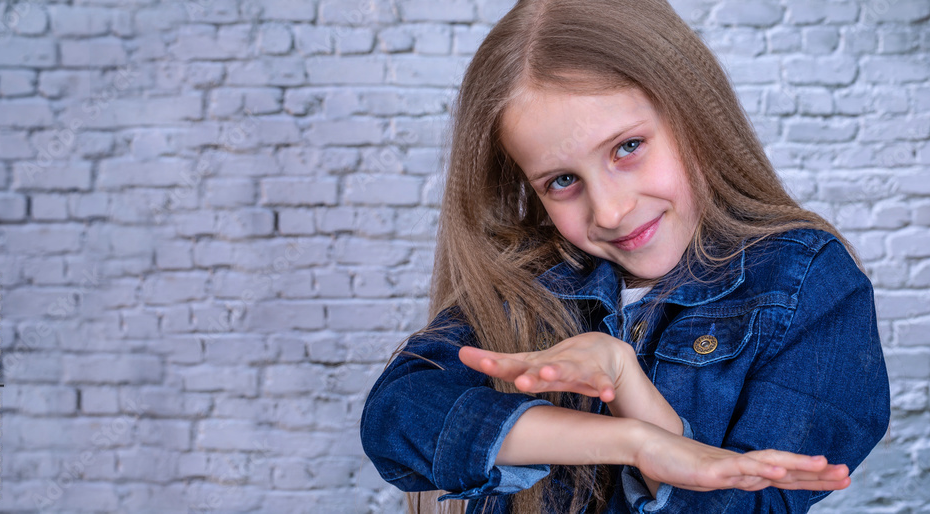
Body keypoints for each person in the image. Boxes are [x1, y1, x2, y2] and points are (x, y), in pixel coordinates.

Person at [360, 0, 891, 512]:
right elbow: (397, 414)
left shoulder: (805, 283)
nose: (610, 212)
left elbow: (742, 506)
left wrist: (629, 385)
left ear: (694, 112)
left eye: (627, 148)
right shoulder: (536, 279)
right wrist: (631, 440)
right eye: (563, 180)